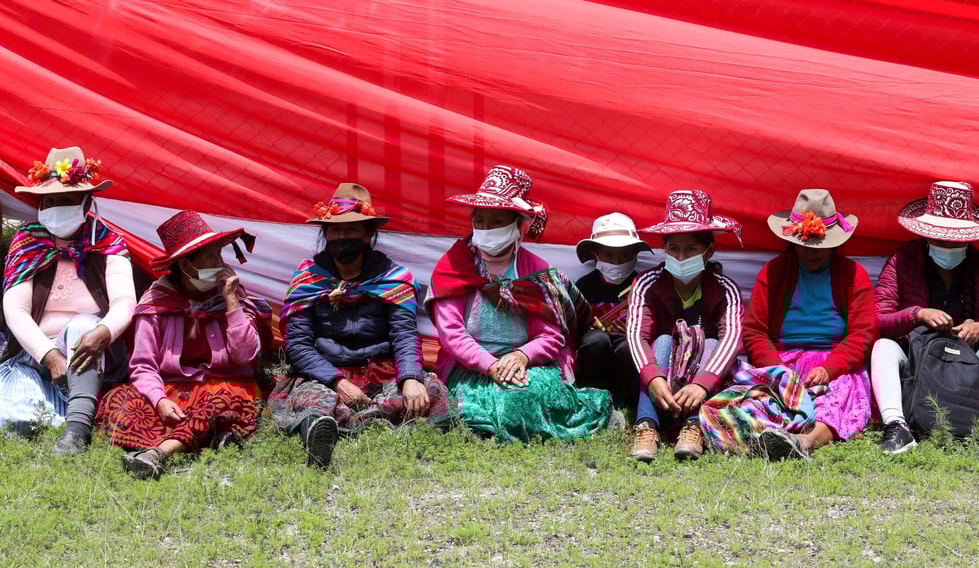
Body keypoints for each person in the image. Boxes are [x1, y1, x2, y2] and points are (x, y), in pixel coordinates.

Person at [268, 183, 448, 469]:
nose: (342, 237)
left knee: (431, 389)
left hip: (380, 369)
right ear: (326, 234)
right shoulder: (307, 281)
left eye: (351, 230)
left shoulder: (394, 279)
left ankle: (367, 421)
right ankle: (319, 431)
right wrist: (337, 381)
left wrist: (411, 377)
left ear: (367, 235)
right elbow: (297, 345)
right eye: (335, 231)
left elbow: (404, 334)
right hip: (325, 374)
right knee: (314, 400)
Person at [425, 165, 609, 442]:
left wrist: (521, 356)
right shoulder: (453, 266)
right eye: (480, 221)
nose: (485, 229)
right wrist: (491, 365)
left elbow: (550, 335)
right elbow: (452, 335)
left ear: (516, 226)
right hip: (470, 368)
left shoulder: (537, 273)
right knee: (481, 408)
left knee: (522, 396)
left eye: (496, 222)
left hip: (528, 366)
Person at [96, 211, 272, 480]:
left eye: (219, 255)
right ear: (185, 266)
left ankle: (158, 453)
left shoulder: (231, 295)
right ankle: (210, 438)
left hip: (224, 384)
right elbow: (143, 365)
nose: (219, 264)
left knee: (224, 405)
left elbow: (246, 354)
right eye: (210, 258)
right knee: (118, 403)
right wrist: (160, 400)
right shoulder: (156, 303)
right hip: (172, 388)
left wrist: (231, 303)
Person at [872, 181, 979, 454]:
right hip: (916, 369)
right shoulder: (903, 260)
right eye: (941, 238)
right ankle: (896, 427)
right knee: (883, 347)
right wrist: (917, 314)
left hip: (966, 373)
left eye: (956, 239)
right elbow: (876, 320)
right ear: (927, 235)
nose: (949, 244)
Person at [0, 146, 135, 454]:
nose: (56, 208)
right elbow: (16, 310)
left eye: (66, 200)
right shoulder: (27, 243)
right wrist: (49, 355)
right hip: (34, 354)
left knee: (83, 327)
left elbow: (125, 302)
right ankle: (73, 408)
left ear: (87, 202)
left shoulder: (108, 243)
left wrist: (103, 333)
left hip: (92, 351)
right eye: (50, 201)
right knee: (14, 420)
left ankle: (77, 430)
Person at [743, 189, 876, 459]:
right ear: (793, 241)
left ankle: (806, 441)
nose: (811, 253)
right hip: (782, 360)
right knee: (759, 400)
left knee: (840, 394)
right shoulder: (774, 272)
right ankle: (772, 434)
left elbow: (863, 334)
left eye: (820, 246)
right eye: (805, 245)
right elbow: (754, 331)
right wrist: (778, 371)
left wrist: (829, 369)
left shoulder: (853, 275)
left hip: (834, 362)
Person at [626, 189, 744, 461]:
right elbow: (635, 335)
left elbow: (732, 338)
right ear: (664, 250)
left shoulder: (726, 290)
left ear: (708, 251)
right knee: (663, 340)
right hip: (661, 371)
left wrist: (703, 383)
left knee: (712, 342)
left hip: (705, 378)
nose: (680, 256)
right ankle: (646, 426)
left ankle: (694, 426)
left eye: (690, 249)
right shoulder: (647, 284)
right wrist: (653, 377)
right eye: (673, 249)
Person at [573, 212, 652, 408]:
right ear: (595, 254)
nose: (617, 262)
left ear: (635, 254)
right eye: (608, 255)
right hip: (594, 346)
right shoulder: (584, 286)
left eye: (625, 254)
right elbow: (574, 325)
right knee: (596, 340)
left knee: (628, 346)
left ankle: (622, 398)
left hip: (627, 346)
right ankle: (589, 396)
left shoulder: (643, 285)